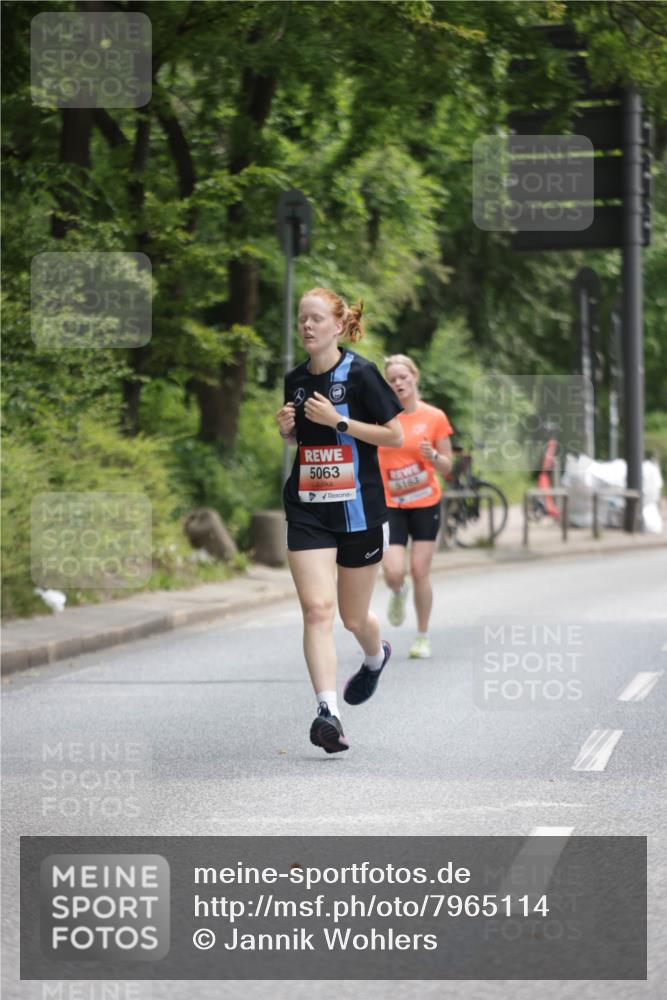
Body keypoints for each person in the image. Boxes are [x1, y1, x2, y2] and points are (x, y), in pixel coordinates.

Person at [276, 288, 404, 754]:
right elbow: (304, 444)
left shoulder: (363, 373)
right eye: (301, 319)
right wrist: (288, 432)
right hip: (309, 507)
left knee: (353, 617)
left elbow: (395, 435)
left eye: (315, 319)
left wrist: (339, 421)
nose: (307, 326)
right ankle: (327, 711)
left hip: (360, 510)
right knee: (317, 609)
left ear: (336, 325)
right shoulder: (294, 379)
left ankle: (375, 656)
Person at [377, 354, 453, 659]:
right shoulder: (380, 417)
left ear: (414, 377)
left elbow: (448, 468)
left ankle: (422, 636)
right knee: (394, 571)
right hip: (390, 503)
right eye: (392, 379)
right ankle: (397, 591)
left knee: (420, 570)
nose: (398, 383)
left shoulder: (434, 417)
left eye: (403, 377)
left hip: (425, 502)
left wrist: (433, 456)